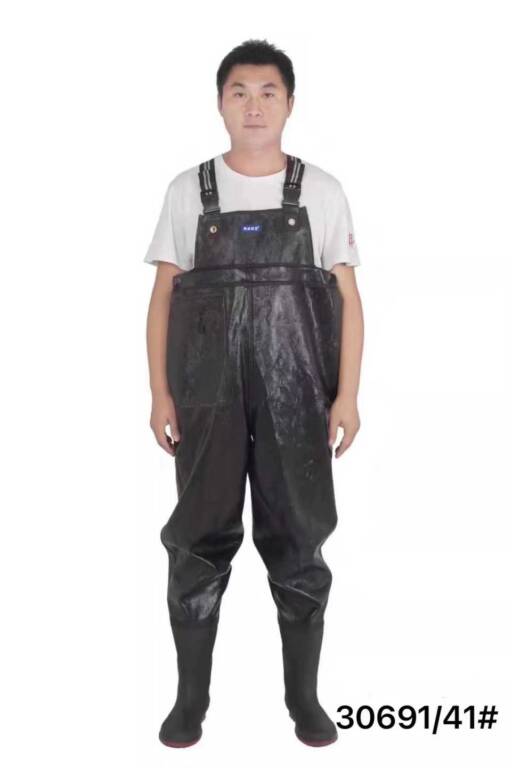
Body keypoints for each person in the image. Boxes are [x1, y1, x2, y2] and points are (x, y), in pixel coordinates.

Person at [144, 38, 364, 748]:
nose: (254, 106)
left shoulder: (321, 191)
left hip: (298, 397)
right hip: (204, 396)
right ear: (220, 103)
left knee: (299, 540)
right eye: (239, 92)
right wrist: (160, 393)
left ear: (290, 103)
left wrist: (346, 396)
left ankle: (304, 699)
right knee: (197, 542)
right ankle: (190, 702)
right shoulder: (189, 190)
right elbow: (163, 297)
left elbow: (349, 299)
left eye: (269, 92)